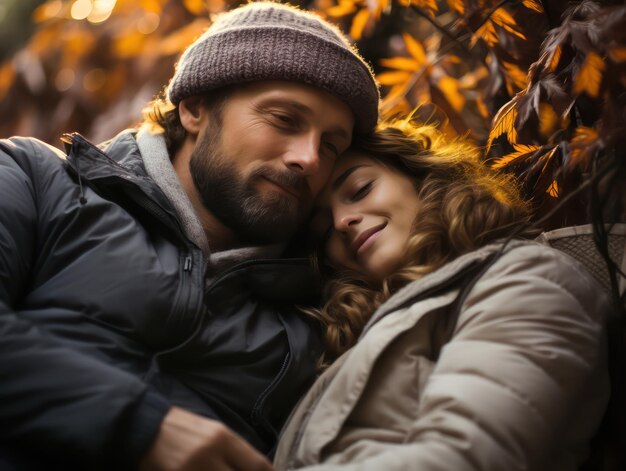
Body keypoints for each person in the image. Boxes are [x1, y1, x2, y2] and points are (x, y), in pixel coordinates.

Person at [0, 2, 379, 470]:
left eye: (331, 145)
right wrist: (138, 425)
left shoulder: (322, 318)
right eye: (284, 119)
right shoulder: (34, 180)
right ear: (196, 107)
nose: (309, 159)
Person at [274, 119, 610, 470]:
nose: (342, 221)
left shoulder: (526, 277)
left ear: (421, 179)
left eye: (360, 190)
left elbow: (465, 456)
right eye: (323, 227)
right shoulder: (359, 339)